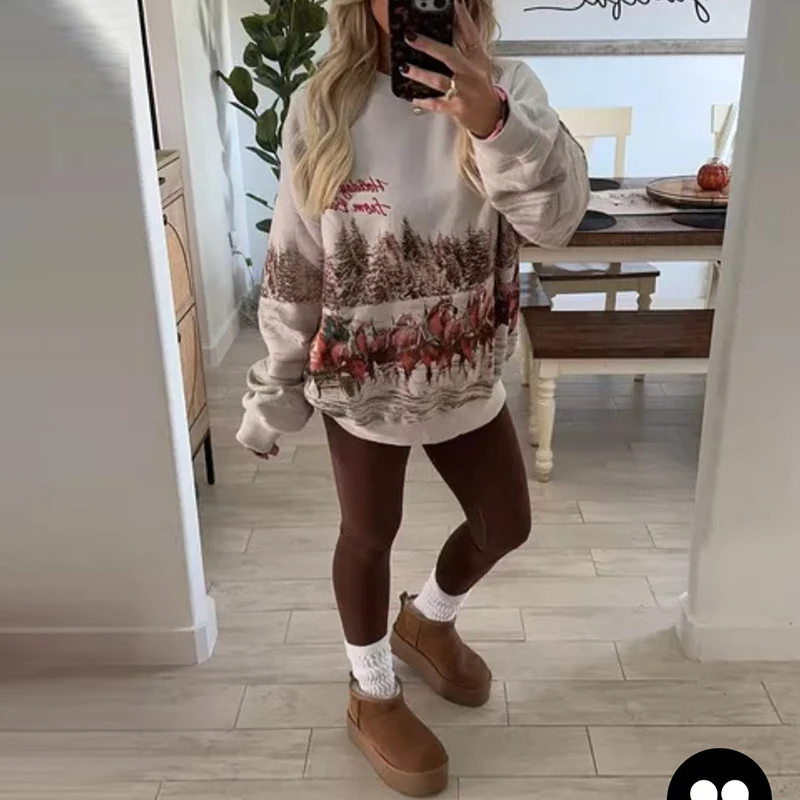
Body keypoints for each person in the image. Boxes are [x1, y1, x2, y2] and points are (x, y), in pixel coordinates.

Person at [236, 0, 589, 794]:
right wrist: (275, 387)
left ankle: (426, 620)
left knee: (506, 523)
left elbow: (558, 222)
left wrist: (494, 121)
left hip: (467, 368)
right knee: (369, 532)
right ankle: (371, 689)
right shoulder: (323, 106)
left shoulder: (511, 86)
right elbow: (295, 259)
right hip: (364, 378)